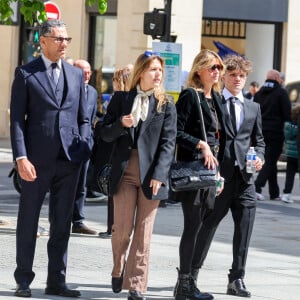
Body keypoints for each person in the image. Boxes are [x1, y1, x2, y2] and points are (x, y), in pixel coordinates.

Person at [10, 20, 92, 298]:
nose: (64, 44)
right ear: (42, 41)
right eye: (58, 39)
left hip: (69, 161)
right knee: (28, 222)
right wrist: (21, 156)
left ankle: (56, 280)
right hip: (35, 162)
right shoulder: (25, 73)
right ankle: (23, 279)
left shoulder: (75, 74)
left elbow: (83, 116)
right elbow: (17, 121)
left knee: (62, 222)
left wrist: (84, 145)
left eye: (67, 39)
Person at [99, 51, 177, 300]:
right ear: (141, 72)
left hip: (151, 175)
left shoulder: (165, 104)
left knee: (144, 233)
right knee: (122, 230)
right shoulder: (121, 99)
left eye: (160, 70)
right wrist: (120, 124)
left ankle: (137, 285)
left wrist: (160, 174)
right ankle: (118, 266)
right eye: (153, 69)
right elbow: (103, 133)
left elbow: (168, 143)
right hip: (125, 171)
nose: (158, 74)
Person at [193, 55, 265, 298]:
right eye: (233, 75)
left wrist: (260, 158)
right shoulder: (214, 102)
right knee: (208, 226)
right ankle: (191, 274)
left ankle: (237, 278)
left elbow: (260, 141)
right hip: (220, 178)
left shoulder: (253, 107)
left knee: (244, 230)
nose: (237, 79)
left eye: (241, 76)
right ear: (224, 76)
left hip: (245, 180)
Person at [173, 49, 226, 300]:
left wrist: (220, 173)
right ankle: (184, 285)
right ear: (199, 70)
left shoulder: (215, 99)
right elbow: (175, 132)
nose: (216, 72)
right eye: (212, 67)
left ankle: (189, 282)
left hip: (210, 173)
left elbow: (221, 140)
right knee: (192, 227)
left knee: (200, 225)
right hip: (194, 172)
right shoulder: (189, 96)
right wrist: (199, 144)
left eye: (219, 68)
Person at [97, 66, 133, 239]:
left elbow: (107, 127)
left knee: (115, 191)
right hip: (124, 151)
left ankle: (112, 227)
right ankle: (117, 228)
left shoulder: (119, 98)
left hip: (116, 151)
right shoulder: (134, 97)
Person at [254, 69, 291, 201]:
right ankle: (257, 187)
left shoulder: (258, 93)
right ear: (277, 78)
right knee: (270, 161)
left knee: (271, 162)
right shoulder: (281, 92)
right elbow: (287, 113)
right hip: (276, 132)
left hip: (260, 131)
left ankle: (274, 192)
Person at [71, 59, 98, 235]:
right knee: (63, 185)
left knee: (81, 185)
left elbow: (91, 118)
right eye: (83, 72)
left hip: (84, 145)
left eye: (89, 72)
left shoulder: (93, 92)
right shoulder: (66, 88)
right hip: (67, 144)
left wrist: (89, 141)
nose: (87, 75)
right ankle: (59, 220)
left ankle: (78, 222)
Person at [281, 105, 300, 203]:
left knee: (290, 175)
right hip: (297, 154)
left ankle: (286, 194)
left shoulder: (288, 126)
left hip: (290, 154)